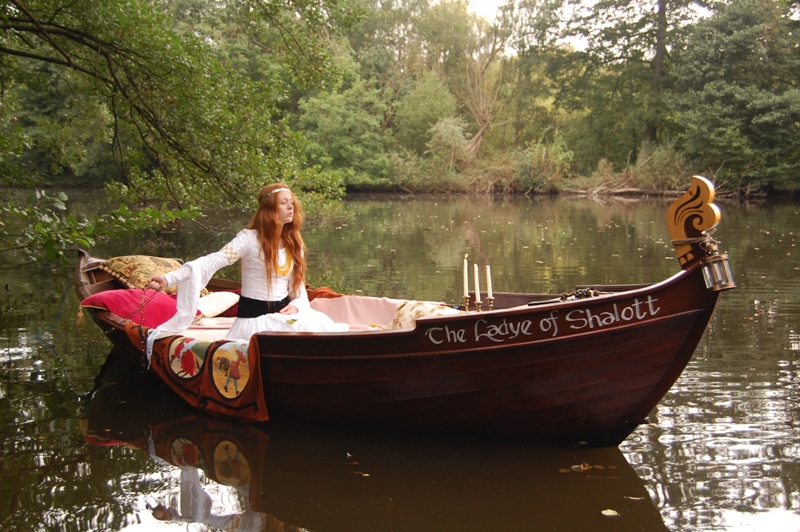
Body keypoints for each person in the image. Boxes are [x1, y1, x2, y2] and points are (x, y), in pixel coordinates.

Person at [147, 183, 348, 341]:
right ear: (270, 209)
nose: (291, 207)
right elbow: (213, 261)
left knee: (320, 325)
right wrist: (169, 278)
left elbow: (297, 288)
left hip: (283, 318)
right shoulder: (248, 239)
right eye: (284, 202)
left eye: (292, 202)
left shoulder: (294, 244)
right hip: (254, 322)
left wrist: (297, 305)